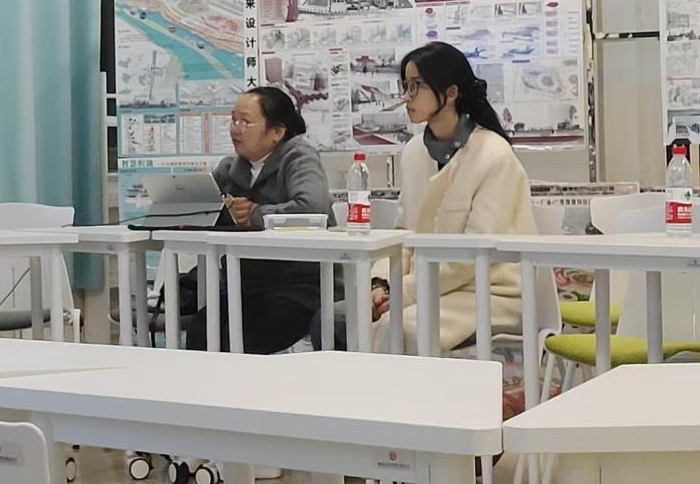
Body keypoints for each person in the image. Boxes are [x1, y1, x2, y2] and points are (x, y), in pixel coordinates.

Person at [311, 41, 533, 353]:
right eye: (405, 86)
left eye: (416, 86)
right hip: (425, 287)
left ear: (451, 92)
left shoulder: (493, 155)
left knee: (397, 327)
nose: (406, 96)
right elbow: (404, 233)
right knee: (332, 319)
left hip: (488, 291)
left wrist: (402, 292)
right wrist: (381, 283)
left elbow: (472, 256)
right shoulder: (415, 151)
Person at [184, 86, 336, 354]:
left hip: (301, 286)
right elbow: (200, 204)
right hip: (245, 284)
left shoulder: (299, 157)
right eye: (233, 120)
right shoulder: (232, 167)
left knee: (248, 333)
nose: (235, 129)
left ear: (277, 131)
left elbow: (313, 209)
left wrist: (255, 215)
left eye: (245, 122)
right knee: (203, 329)